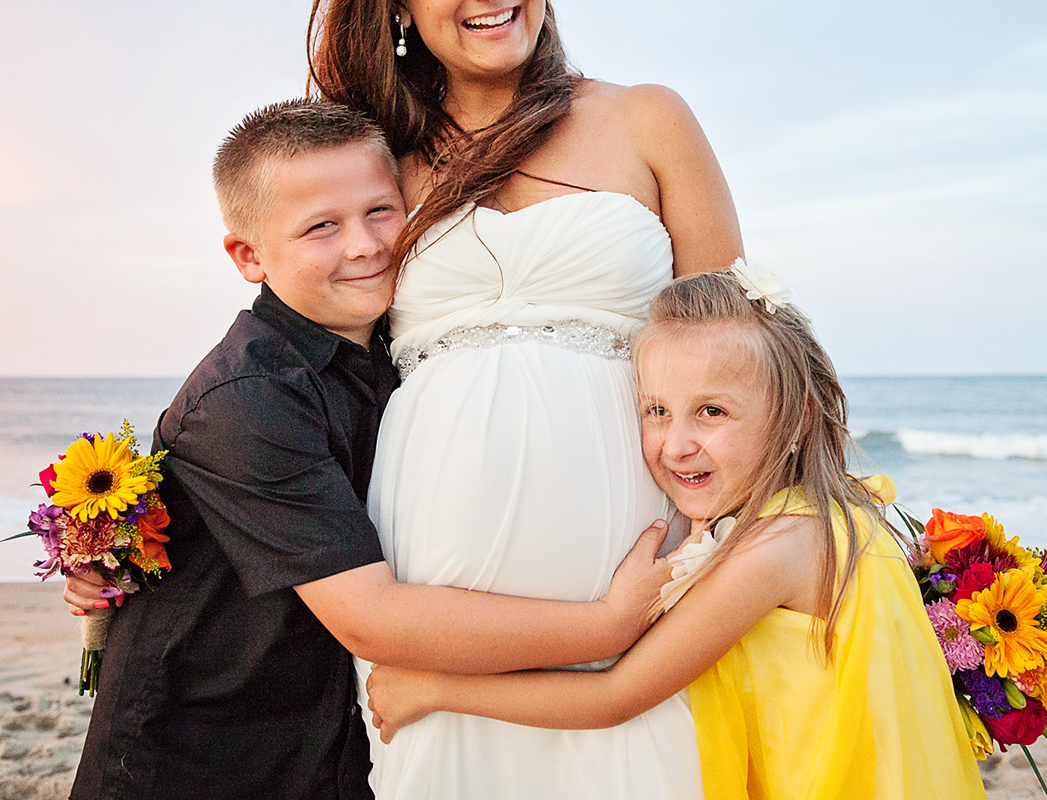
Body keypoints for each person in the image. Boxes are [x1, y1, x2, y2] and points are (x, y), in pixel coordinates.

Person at [306, 0, 743, 800]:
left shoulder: (646, 118)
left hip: (632, 554)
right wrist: (133, 542)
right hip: (434, 585)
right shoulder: (373, 164)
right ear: (401, 0)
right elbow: (288, 374)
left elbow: (745, 351)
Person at [66, 99, 671, 800]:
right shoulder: (247, 398)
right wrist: (607, 626)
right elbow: (371, 616)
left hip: (332, 732)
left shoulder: (398, 348)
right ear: (248, 255)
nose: (365, 245)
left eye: (382, 211)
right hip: (200, 749)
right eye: (321, 227)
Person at [366, 267, 989, 800]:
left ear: (797, 415)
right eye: (657, 410)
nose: (676, 443)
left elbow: (614, 696)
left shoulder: (778, 547)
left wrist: (433, 687)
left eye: (711, 412)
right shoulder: (836, 512)